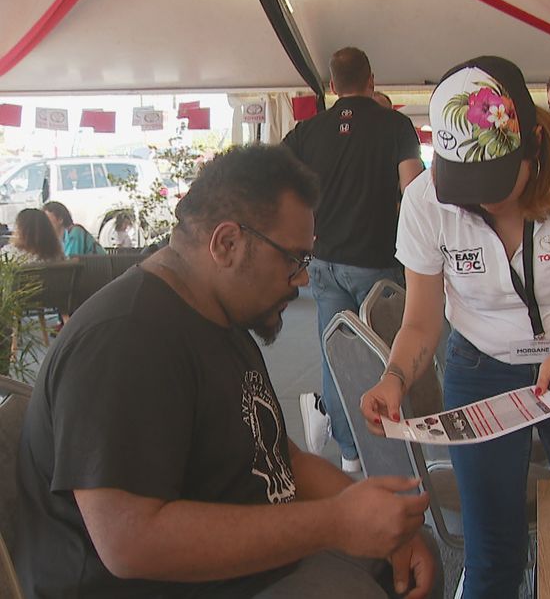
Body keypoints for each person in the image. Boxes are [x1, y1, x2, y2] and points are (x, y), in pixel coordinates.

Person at [16, 145, 437, 599]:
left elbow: (279, 457)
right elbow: (129, 542)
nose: (302, 279)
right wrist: (336, 523)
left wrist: (378, 516)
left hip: (246, 565)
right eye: (293, 259)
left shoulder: (217, 314)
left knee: (416, 548)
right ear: (226, 244)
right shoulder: (125, 340)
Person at [360, 56, 550, 598]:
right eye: (468, 187)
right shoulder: (426, 200)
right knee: (491, 553)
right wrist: (394, 379)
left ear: (532, 145)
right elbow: (421, 320)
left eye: (498, 181)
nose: (485, 199)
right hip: (481, 366)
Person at [283, 47, 424, 472]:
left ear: (331, 86)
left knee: (335, 354)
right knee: (393, 354)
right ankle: (400, 452)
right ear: (372, 79)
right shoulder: (395, 125)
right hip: (379, 260)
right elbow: (413, 190)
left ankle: (348, 455)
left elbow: (277, 186)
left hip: (324, 261)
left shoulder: (307, 131)